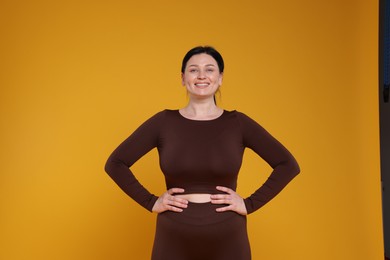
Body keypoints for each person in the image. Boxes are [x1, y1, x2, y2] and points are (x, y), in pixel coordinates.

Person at [105, 46, 300, 260]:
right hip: (173, 237)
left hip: (228, 238)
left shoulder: (238, 123)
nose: (201, 76)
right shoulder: (164, 122)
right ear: (182, 78)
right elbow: (116, 163)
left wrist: (249, 204)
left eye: (209, 69)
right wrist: (151, 201)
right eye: (193, 70)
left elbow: (287, 164)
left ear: (220, 78)